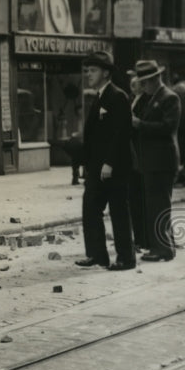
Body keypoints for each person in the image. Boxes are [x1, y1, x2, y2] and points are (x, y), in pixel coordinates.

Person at [75, 51, 136, 271]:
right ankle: (97, 255)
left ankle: (126, 259)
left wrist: (109, 163)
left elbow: (121, 133)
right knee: (90, 208)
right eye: (87, 70)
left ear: (106, 73)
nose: (88, 74)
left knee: (119, 211)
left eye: (93, 70)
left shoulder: (117, 96)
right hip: (96, 167)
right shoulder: (99, 96)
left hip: (114, 166)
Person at [131, 59, 181, 261]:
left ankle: (163, 249)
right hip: (151, 161)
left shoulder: (170, 98)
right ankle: (158, 246)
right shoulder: (149, 98)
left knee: (159, 205)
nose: (142, 87)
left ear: (154, 79)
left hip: (162, 161)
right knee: (154, 205)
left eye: (144, 83)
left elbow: (167, 127)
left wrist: (140, 124)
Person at [127, 71, 149, 253]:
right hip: (132, 156)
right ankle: (139, 237)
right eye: (131, 83)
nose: (132, 86)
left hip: (140, 156)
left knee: (140, 200)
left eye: (136, 83)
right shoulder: (132, 100)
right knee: (134, 200)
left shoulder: (146, 102)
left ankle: (142, 239)